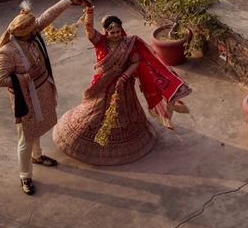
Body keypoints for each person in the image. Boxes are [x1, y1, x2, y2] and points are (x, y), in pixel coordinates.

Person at [52, 9, 191, 165]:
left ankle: (126, 141)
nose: (116, 35)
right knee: (96, 111)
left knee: (124, 113)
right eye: (112, 32)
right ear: (105, 32)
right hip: (103, 85)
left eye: (118, 31)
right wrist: (89, 10)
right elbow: (89, 30)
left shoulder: (128, 43)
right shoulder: (100, 42)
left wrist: (124, 76)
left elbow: (136, 62)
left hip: (123, 86)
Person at [0, 0, 91, 195]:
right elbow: (1, 79)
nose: (37, 28)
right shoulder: (7, 52)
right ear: (25, 34)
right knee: (25, 138)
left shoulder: (30, 34)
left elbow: (48, 16)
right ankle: (25, 176)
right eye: (33, 28)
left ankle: (37, 157)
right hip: (26, 98)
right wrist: (27, 76)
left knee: (36, 129)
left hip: (42, 90)